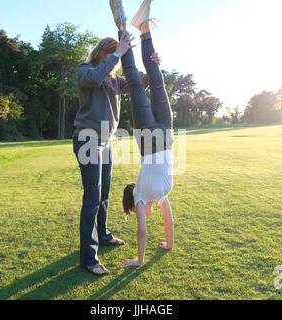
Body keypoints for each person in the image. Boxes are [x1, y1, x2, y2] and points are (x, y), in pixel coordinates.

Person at [73, 0, 161, 276]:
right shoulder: (86, 71)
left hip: (107, 141)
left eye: (119, 56)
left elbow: (137, 82)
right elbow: (97, 74)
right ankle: (89, 257)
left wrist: (154, 65)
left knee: (104, 195)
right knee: (92, 196)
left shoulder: (113, 79)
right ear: (103, 53)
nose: (118, 60)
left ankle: (104, 234)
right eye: (114, 55)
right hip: (87, 138)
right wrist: (118, 52)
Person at [112, 0, 176, 267]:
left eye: (140, 211)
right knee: (157, 77)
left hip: (149, 140)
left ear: (134, 202)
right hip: (167, 133)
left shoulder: (140, 195)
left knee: (135, 82)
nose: (146, 213)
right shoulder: (161, 195)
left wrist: (139, 260)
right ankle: (144, 26)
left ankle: (122, 26)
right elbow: (167, 220)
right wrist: (170, 243)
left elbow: (142, 231)